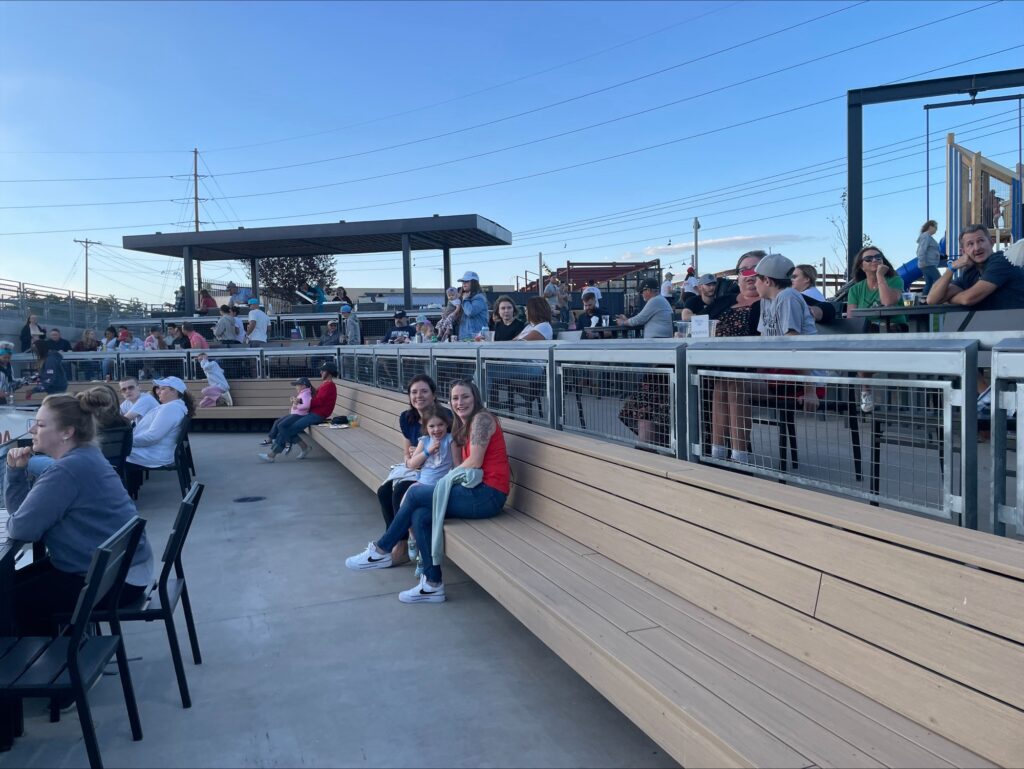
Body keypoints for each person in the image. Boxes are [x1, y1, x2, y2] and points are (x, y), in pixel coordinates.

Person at [346, 379, 509, 604]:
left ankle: (382, 549)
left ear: (476, 398)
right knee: (420, 515)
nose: (459, 402)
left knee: (414, 494)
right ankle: (432, 584)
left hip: (488, 495)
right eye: (455, 398)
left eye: (465, 397)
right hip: (476, 491)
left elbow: (475, 461)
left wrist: (444, 482)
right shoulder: (464, 424)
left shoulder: (482, 419)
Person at [4, 394, 154, 636]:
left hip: (112, 582)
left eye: (41, 424)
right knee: (8, 587)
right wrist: (15, 472)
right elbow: (24, 519)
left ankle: (53, 665)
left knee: (7, 603)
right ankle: (59, 654)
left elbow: (21, 528)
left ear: (67, 432)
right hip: (125, 571)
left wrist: (11, 474)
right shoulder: (87, 457)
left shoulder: (66, 471)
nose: (32, 428)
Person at [375, 375, 452, 563]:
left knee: (400, 491)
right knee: (384, 491)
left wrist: (420, 455)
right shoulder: (407, 418)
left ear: (434, 395)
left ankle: (400, 544)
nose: (419, 396)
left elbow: (449, 450)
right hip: (415, 466)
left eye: (424, 391)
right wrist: (411, 456)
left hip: (436, 471)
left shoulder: (445, 418)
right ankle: (395, 539)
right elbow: (406, 453)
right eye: (414, 392)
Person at [124, 376, 193, 499]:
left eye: (163, 389)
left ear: (174, 391)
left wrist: (127, 442)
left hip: (154, 454)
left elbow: (152, 437)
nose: (158, 391)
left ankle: (122, 497)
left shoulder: (171, 408)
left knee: (113, 457)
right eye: (158, 388)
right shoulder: (173, 406)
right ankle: (126, 494)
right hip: (154, 450)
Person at [927, 224, 1024, 311]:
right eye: (970, 244)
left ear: (991, 242)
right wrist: (952, 268)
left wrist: (951, 299)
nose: (977, 248)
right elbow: (932, 299)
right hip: (1001, 327)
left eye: (981, 241)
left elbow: (968, 299)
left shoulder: (1001, 261)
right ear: (963, 251)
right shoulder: (971, 271)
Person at [258, 362, 337, 462]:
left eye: (323, 370)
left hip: (318, 415)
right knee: (284, 426)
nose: (321, 372)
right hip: (312, 412)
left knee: (288, 428)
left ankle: (272, 455)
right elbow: (313, 397)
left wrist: (300, 401)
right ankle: (304, 448)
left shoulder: (329, 386)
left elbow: (318, 401)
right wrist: (299, 400)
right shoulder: (325, 384)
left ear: (329, 372)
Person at [846, 246, 905, 332]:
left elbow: (887, 302)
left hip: (894, 328)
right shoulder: (855, 289)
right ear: (862, 266)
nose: (874, 260)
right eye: (868, 259)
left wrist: (880, 276)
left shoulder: (895, 280)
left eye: (878, 257)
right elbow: (852, 319)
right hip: (867, 331)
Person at [260, 377, 313, 452]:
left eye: (297, 385)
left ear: (303, 386)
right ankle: (270, 439)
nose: (296, 387)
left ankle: (287, 443)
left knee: (281, 425)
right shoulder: (303, 393)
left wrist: (296, 406)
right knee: (277, 422)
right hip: (295, 414)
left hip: (299, 415)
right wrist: (294, 401)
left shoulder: (306, 394)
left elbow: (306, 406)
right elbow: (300, 403)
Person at [456, 271, 489, 341]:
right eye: (463, 281)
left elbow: (470, 312)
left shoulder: (479, 298)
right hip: (465, 337)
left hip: (477, 338)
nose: (464, 283)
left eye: (467, 281)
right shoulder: (465, 298)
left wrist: (465, 300)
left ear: (474, 283)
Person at [916, 220, 942, 296]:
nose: (936, 229)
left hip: (927, 264)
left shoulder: (928, 237)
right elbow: (921, 251)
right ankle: (939, 298)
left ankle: (924, 300)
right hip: (928, 264)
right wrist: (923, 261)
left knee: (929, 283)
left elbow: (930, 250)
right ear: (930, 227)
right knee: (940, 281)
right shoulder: (926, 236)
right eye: (935, 227)